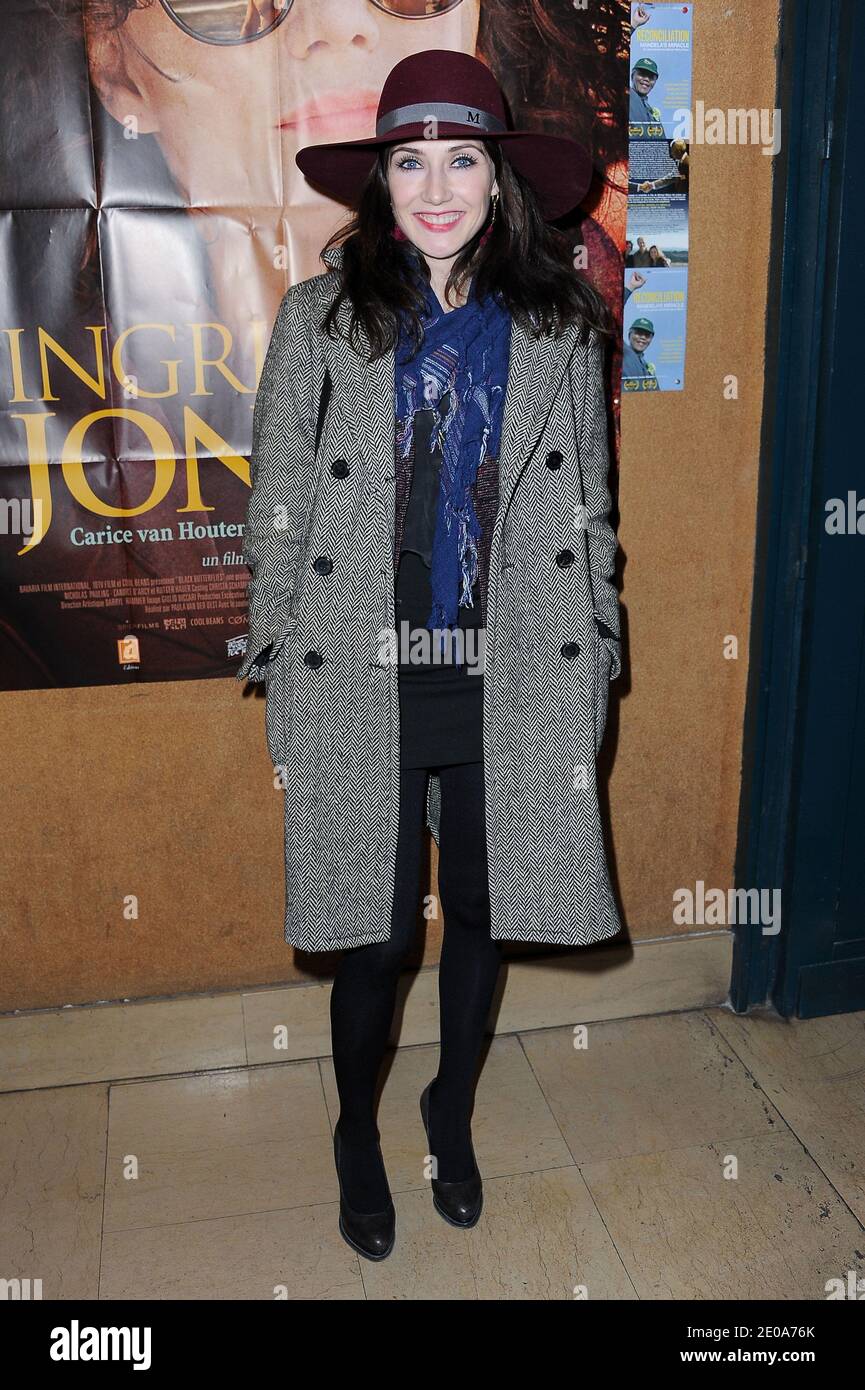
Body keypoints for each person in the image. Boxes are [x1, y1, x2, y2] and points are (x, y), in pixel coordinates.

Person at [238, 50, 623, 1261]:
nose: (438, 186)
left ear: (498, 178)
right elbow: (279, 503)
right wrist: (280, 649)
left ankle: (447, 1110)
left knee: (484, 912)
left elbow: (589, 515)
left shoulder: (560, 322)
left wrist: (599, 645)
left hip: (508, 666)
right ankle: (358, 1127)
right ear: (383, 183)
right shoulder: (321, 318)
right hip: (363, 667)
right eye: (412, 161)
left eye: (463, 158)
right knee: (378, 933)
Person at [629, 57, 662, 125]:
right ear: (632, 76)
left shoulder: (652, 114)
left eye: (651, 77)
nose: (647, 79)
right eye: (642, 74)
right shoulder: (626, 98)